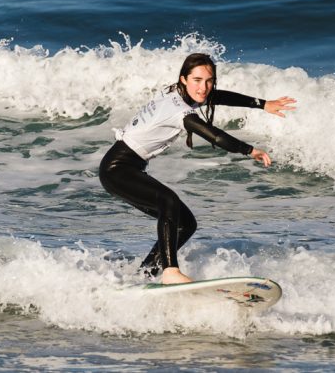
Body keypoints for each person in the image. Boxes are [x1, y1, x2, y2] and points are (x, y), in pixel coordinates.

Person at [99, 53, 296, 284]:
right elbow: (216, 136)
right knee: (168, 200)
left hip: (127, 167)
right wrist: (249, 150)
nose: (204, 87)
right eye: (197, 80)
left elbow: (218, 96)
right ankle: (170, 272)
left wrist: (262, 104)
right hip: (117, 168)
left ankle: (146, 273)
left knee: (186, 223)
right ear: (184, 79)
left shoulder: (174, 91)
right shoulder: (181, 111)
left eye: (209, 80)